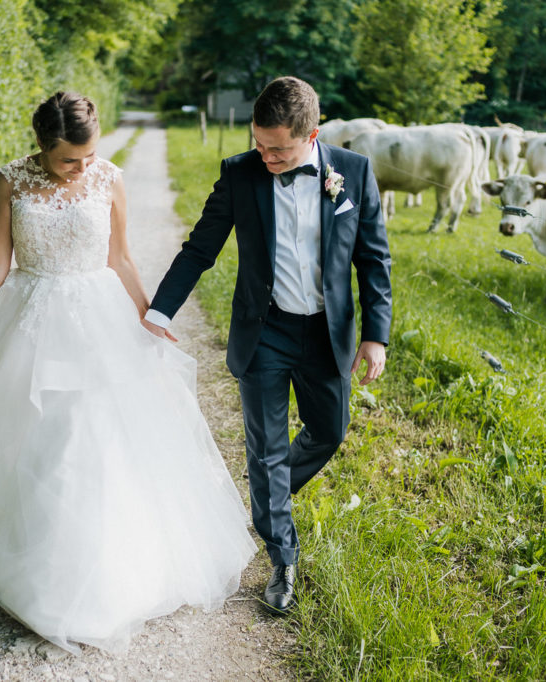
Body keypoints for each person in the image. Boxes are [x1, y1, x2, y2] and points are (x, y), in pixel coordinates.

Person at [0, 92, 256, 654]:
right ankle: (33, 565)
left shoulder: (109, 179)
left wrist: (150, 313)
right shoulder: (11, 182)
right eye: (70, 160)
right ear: (43, 148)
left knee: (93, 437)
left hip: (99, 321)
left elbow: (120, 257)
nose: (83, 167)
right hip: (31, 321)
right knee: (37, 437)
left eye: (88, 156)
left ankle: (98, 571)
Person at [143, 76, 392, 615]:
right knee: (267, 446)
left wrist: (376, 334)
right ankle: (283, 554)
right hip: (266, 330)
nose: (266, 155)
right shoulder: (239, 174)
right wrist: (159, 309)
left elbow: (374, 260)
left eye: (278, 148)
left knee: (328, 432)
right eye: (259, 143)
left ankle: (263, 498)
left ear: (312, 134)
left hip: (328, 333)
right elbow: (199, 249)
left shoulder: (354, 173)